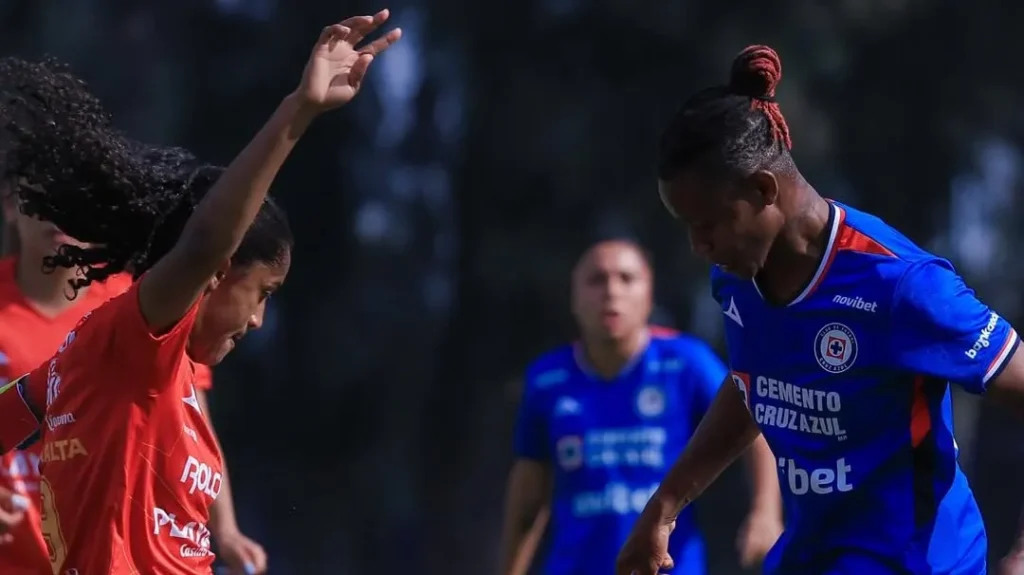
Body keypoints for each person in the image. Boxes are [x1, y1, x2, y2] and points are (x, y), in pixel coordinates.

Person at [0, 11, 401, 574]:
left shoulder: (108, 365)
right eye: (263, 291)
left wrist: (226, 533)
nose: (260, 319)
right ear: (216, 275)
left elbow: (14, 411)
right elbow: (207, 240)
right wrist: (299, 110)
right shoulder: (137, 347)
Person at [614, 44, 1024, 575]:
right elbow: (755, 383)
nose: (699, 247)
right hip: (814, 551)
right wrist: (664, 507)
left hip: (914, 560)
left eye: (708, 224)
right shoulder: (736, 278)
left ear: (764, 190)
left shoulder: (899, 285)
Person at [0, 57, 268, 575]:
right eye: (41, 198)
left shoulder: (137, 310)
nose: (58, 216)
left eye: (72, 201)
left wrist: (225, 529)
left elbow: (193, 420)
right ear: (10, 206)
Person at [500, 238, 782, 575]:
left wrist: (765, 513)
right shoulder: (547, 380)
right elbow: (529, 493)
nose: (611, 291)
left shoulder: (686, 362)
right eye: (596, 280)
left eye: (626, 278)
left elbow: (753, 423)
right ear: (573, 298)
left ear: (649, 295)